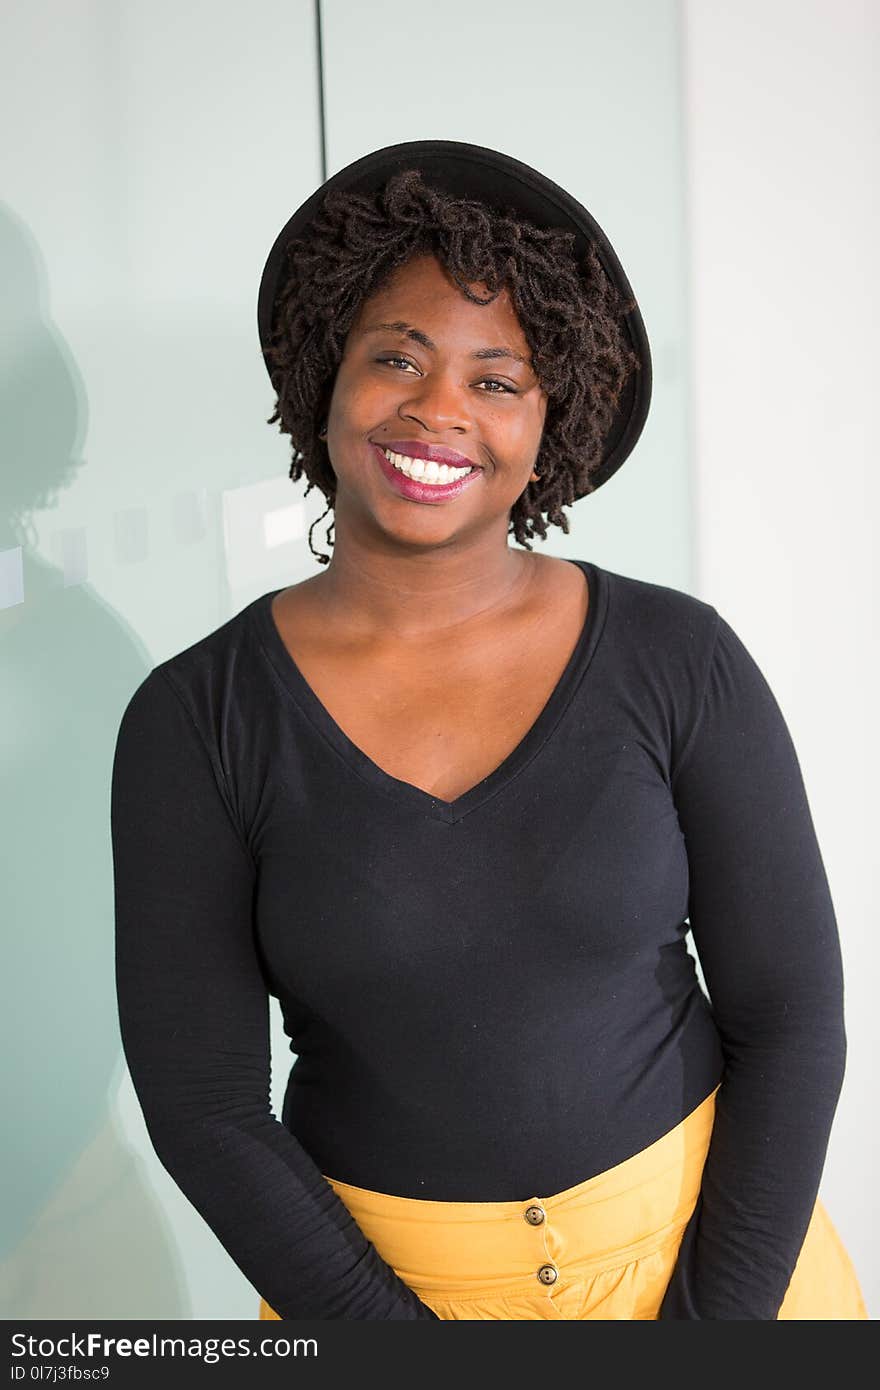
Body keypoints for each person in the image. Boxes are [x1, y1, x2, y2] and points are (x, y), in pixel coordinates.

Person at [110, 140, 867, 1320]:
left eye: (497, 379)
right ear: (328, 375)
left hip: (720, 1276)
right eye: (395, 357)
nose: (437, 409)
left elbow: (792, 1020)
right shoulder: (194, 720)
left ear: (549, 422)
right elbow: (204, 1108)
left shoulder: (679, 658)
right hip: (377, 1303)